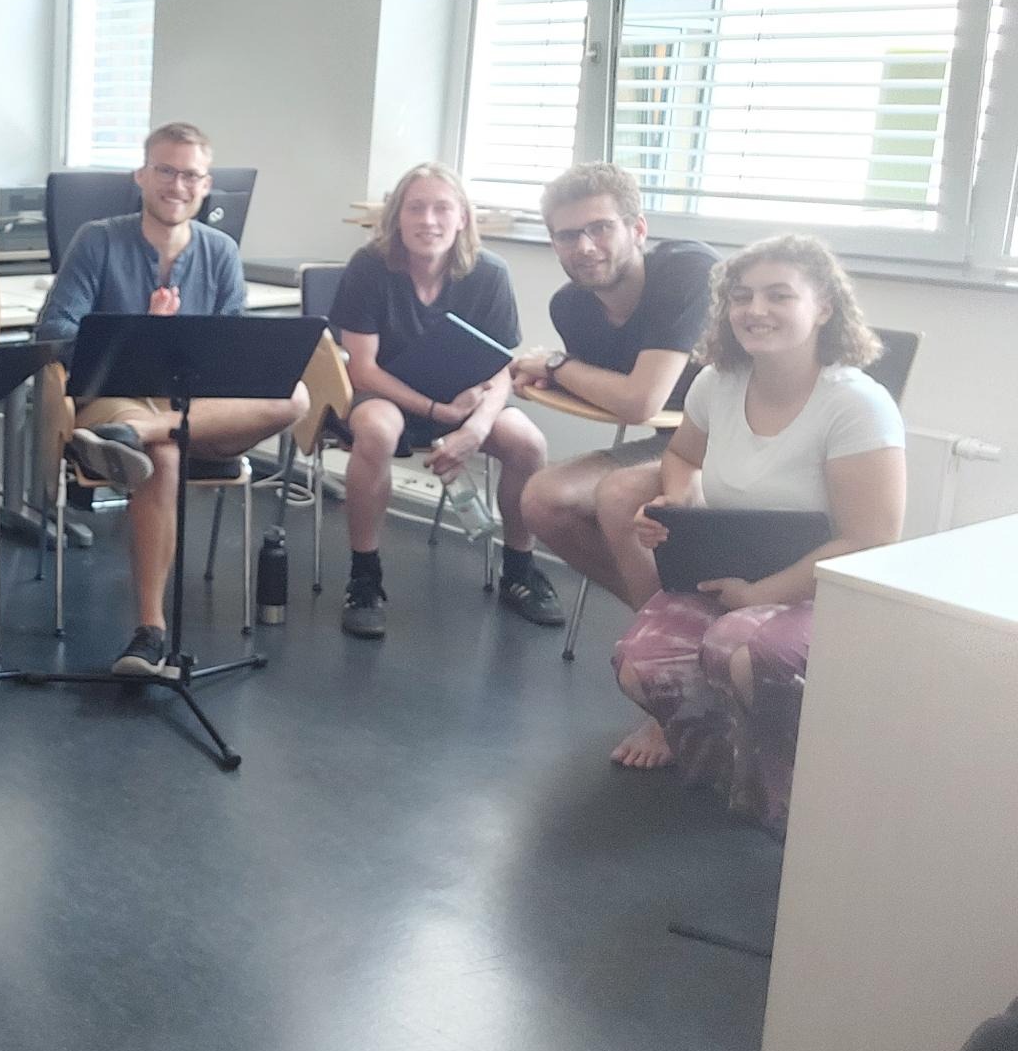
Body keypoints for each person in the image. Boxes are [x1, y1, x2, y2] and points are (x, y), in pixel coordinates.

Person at [612, 235, 905, 833]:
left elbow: (872, 537)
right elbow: (682, 457)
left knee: (739, 651)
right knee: (639, 664)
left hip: (823, 591)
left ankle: (792, 790)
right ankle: (728, 760)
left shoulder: (857, 404)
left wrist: (762, 594)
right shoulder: (716, 383)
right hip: (734, 575)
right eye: (741, 296)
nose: (755, 309)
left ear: (823, 307)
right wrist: (676, 504)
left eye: (779, 295)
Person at [34, 122, 307, 676]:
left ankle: (138, 438)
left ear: (206, 186)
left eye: (190, 175)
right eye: (165, 170)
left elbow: (232, 348)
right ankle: (150, 631)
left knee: (295, 395)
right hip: (116, 398)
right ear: (141, 175)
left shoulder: (220, 251)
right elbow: (53, 330)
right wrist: (142, 334)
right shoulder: (98, 239)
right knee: (165, 456)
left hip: (193, 407)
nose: (176, 185)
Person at [330, 161, 560, 638]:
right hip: (386, 393)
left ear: (462, 218)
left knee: (529, 444)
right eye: (415, 208)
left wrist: (474, 428)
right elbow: (362, 369)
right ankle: (365, 577)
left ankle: (519, 570)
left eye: (441, 208)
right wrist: (440, 413)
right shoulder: (369, 267)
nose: (428, 220)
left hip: (465, 399)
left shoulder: (489, 273)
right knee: (376, 432)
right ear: (397, 217)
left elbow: (501, 369)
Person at [514, 163, 718, 613]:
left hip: (740, 445)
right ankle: (670, 621)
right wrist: (549, 376)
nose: (585, 247)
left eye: (600, 228)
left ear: (638, 229)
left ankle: (672, 630)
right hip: (673, 443)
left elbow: (639, 401)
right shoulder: (570, 306)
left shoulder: (689, 272)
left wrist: (556, 364)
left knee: (620, 495)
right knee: (543, 499)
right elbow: (608, 391)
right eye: (568, 236)